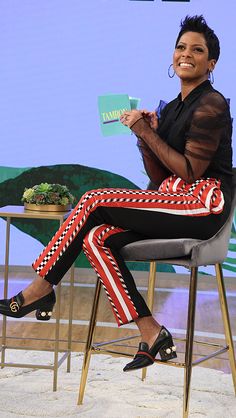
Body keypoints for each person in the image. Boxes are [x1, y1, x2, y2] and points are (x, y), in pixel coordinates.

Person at [0, 15, 233, 372]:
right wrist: (145, 137)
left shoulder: (212, 104)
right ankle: (151, 331)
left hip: (203, 205)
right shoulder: (172, 108)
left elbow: (190, 171)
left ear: (211, 63)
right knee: (96, 238)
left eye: (197, 50)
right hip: (173, 200)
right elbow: (159, 179)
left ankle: (39, 288)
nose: (186, 54)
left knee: (93, 200)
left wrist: (146, 130)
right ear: (173, 55)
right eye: (181, 47)